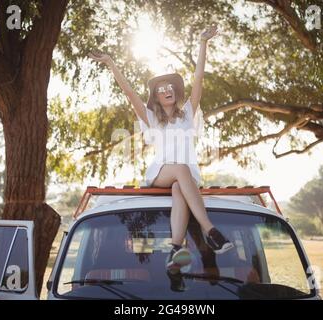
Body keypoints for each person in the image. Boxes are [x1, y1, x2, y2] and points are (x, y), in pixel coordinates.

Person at [89, 25, 234, 275]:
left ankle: (175, 247)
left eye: (169, 87)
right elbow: (128, 91)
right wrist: (111, 63)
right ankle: (210, 229)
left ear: (175, 92)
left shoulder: (188, 113)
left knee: (180, 187)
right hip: (161, 172)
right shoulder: (150, 118)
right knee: (179, 168)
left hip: (186, 177)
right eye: (160, 89)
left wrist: (203, 43)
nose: (166, 90)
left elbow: (198, 79)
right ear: (155, 97)